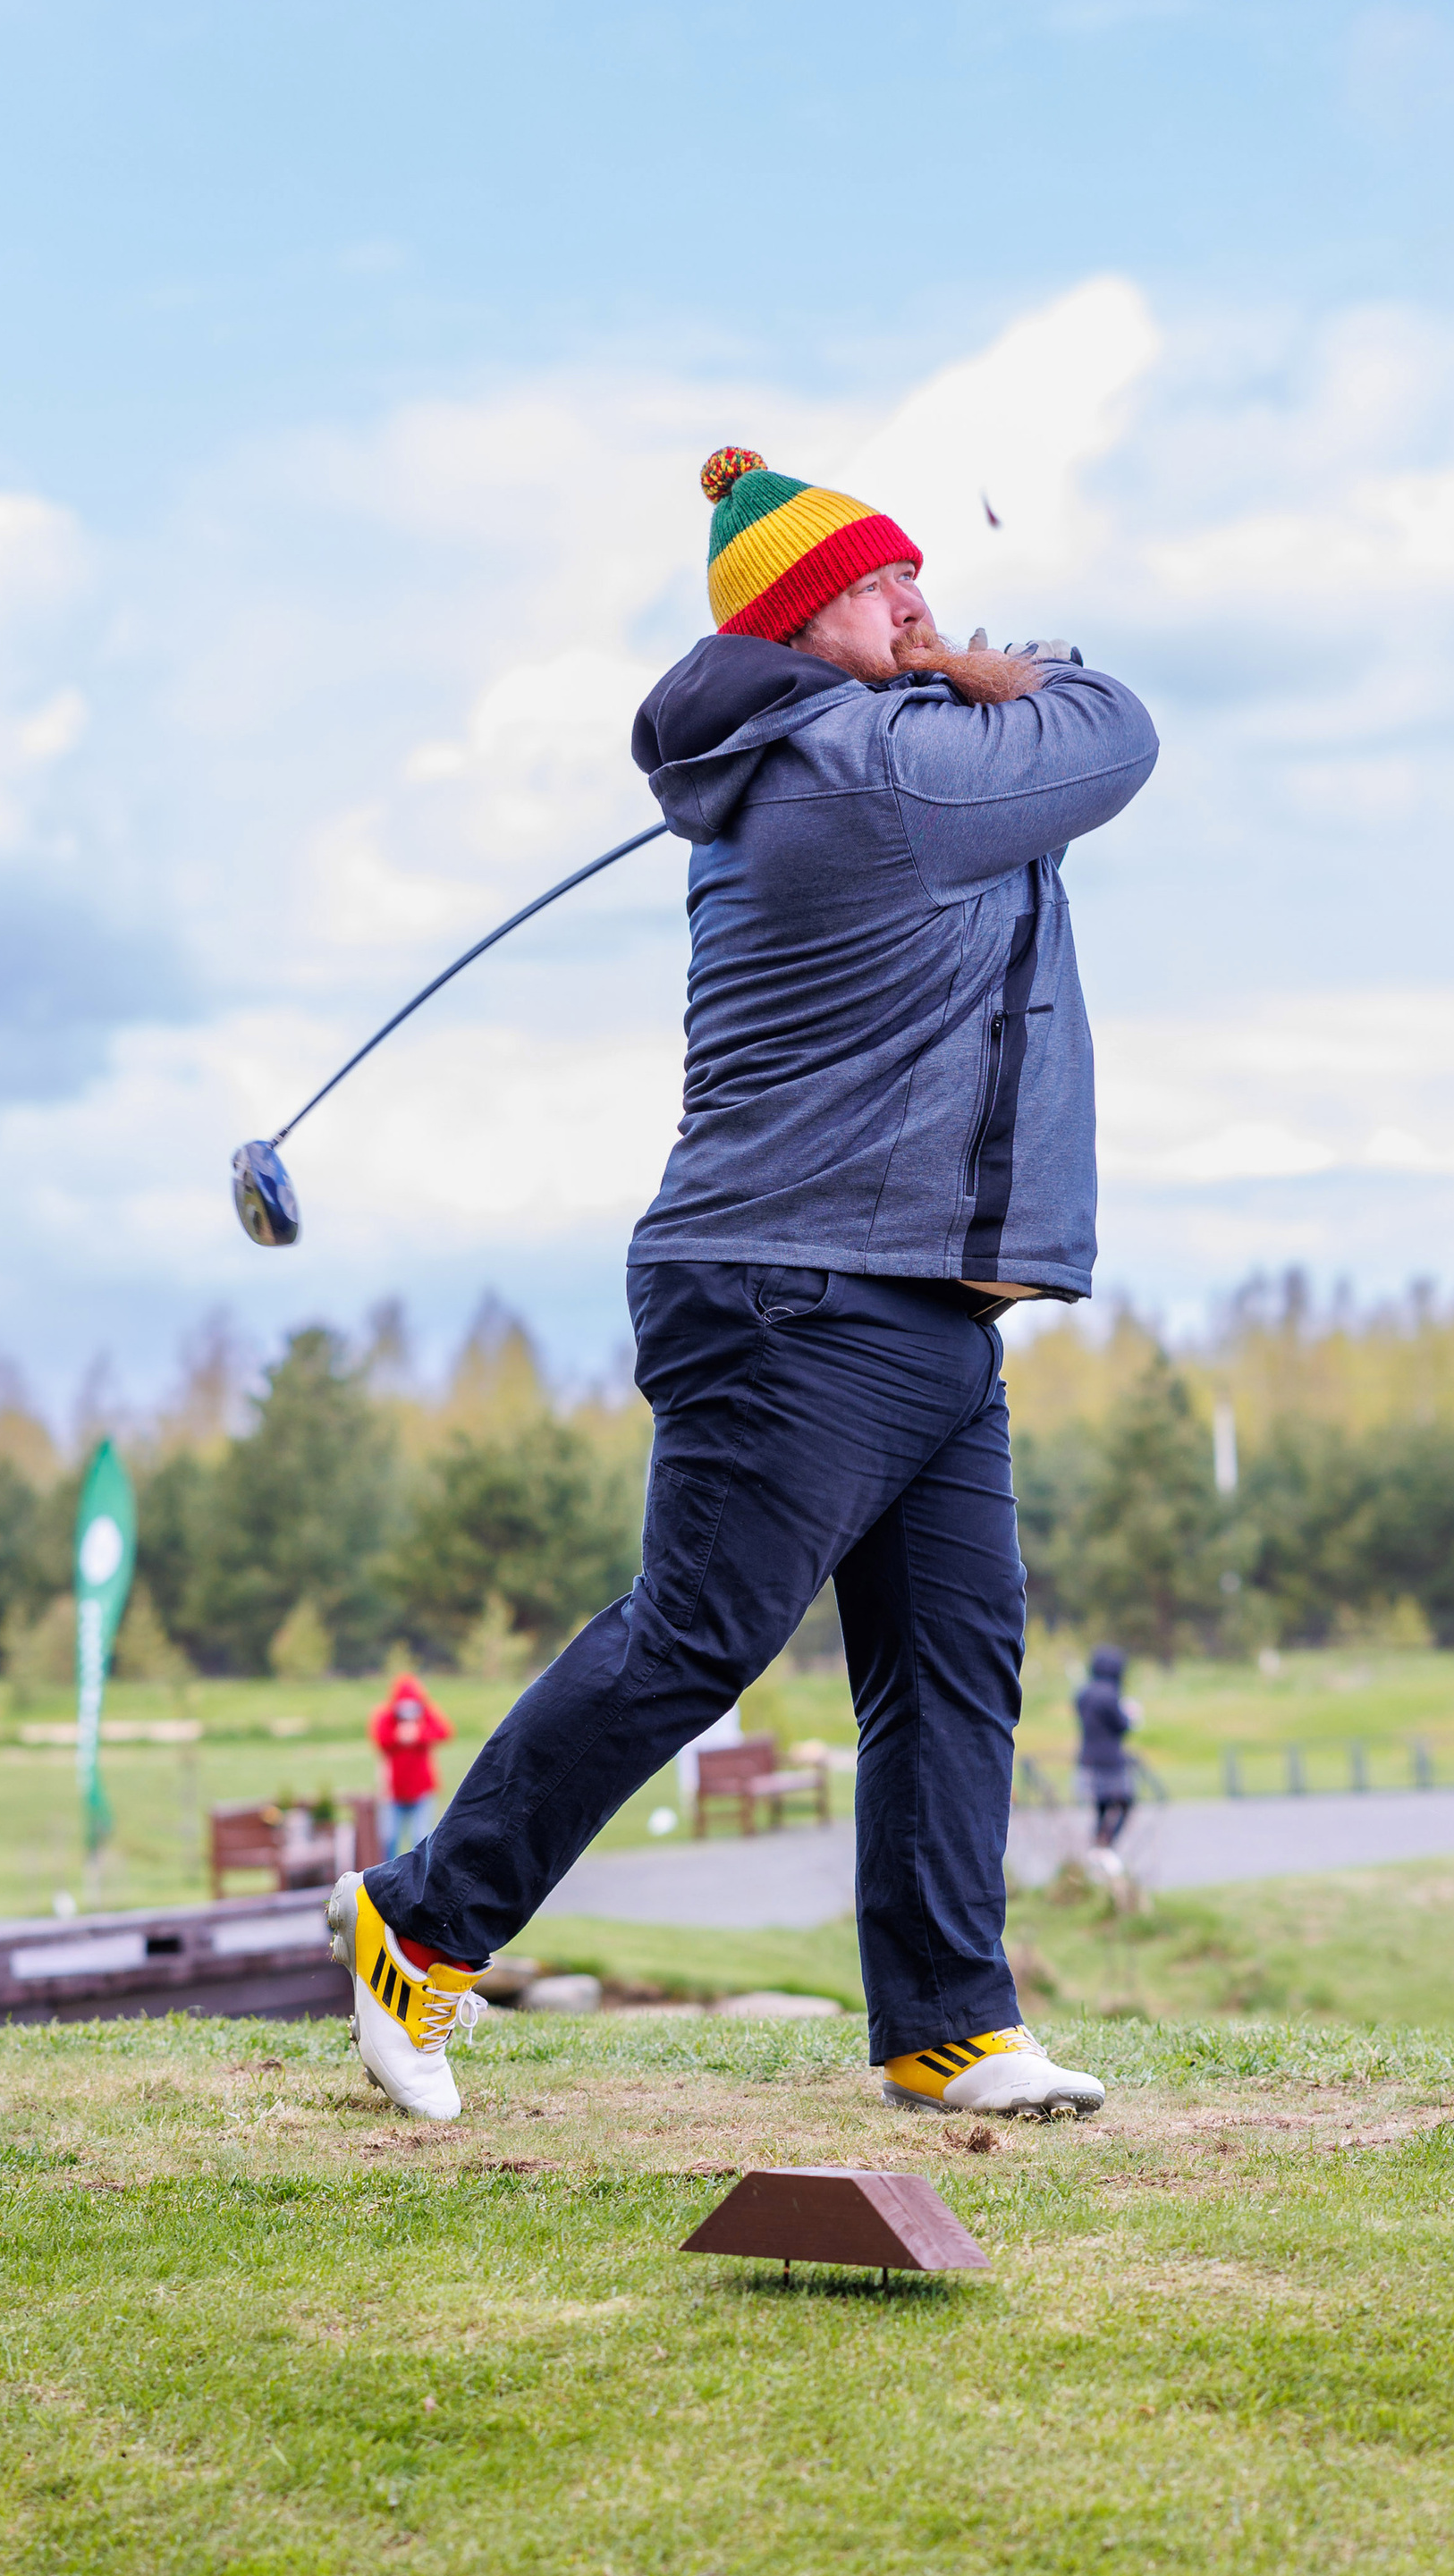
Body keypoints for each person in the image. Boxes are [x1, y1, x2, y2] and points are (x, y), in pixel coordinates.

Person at [329, 442, 1158, 2122]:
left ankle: (948, 2020)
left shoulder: (860, 748)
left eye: (919, 573)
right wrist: (1005, 665)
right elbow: (1114, 732)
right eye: (878, 585)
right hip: (800, 1285)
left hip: (913, 1292)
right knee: (699, 1634)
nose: (918, 601)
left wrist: (946, 669)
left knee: (952, 1662)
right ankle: (419, 1924)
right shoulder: (868, 771)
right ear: (796, 628)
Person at [368, 1671, 454, 1862]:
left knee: (421, 1839)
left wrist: (419, 1734)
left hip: (422, 1791)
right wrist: (398, 1736)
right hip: (393, 1793)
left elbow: (445, 1731)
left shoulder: (424, 1716)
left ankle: (420, 1876)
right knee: (389, 1840)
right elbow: (380, 1738)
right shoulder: (387, 1718)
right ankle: (388, 1877)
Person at [1075, 1646, 1141, 1847]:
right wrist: (1131, 1716)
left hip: (1088, 1757)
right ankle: (1105, 1845)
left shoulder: (1083, 1694)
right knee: (1126, 1802)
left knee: (1101, 1807)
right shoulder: (1111, 1695)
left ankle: (1098, 1846)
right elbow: (1122, 1725)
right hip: (1111, 1760)